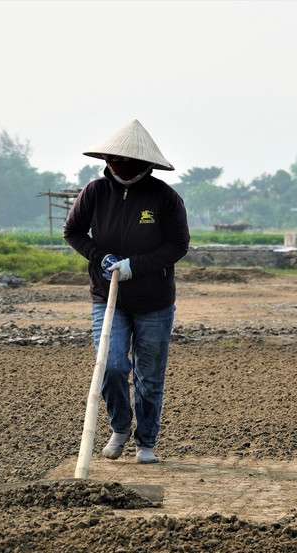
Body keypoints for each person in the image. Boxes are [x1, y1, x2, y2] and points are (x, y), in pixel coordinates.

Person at [63, 120, 190, 464]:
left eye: (129, 162)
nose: (121, 167)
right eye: (115, 160)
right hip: (107, 297)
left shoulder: (164, 198)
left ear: (146, 165)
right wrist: (99, 256)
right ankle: (120, 427)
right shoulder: (94, 192)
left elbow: (179, 245)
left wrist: (138, 264)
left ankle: (145, 442)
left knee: (149, 374)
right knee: (112, 365)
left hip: (154, 301)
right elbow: (72, 231)